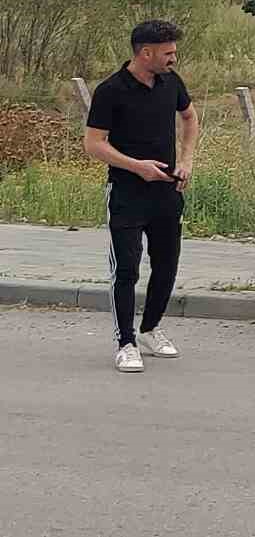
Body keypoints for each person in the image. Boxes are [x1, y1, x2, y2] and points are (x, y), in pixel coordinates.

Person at [83, 21, 201, 373]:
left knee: (166, 265)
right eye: (168, 53)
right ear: (145, 52)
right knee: (127, 270)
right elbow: (93, 145)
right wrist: (136, 167)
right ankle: (126, 343)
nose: (174, 59)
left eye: (174, 52)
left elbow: (190, 117)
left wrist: (186, 161)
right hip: (126, 193)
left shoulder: (171, 82)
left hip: (167, 191)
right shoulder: (111, 91)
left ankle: (150, 330)